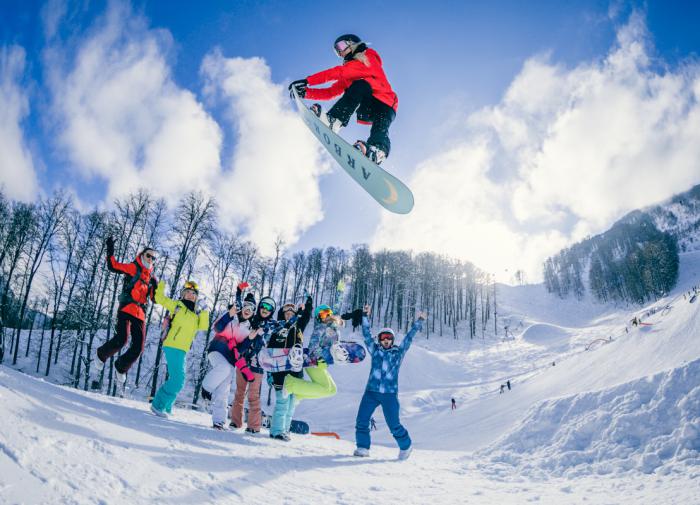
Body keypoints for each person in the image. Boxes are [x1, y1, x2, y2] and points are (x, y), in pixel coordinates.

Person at [289, 34, 398, 165]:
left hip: (386, 103)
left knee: (380, 128)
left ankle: (377, 151)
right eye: (336, 51)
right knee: (359, 86)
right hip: (369, 103)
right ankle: (334, 121)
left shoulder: (368, 57)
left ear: (352, 43)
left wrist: (309, 80)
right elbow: (330, 92)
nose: (339, 52)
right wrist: (306, 93)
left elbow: (338, 72)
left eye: (340, 46)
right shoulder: (349, 73)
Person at [354, 305, 426, 461]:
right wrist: (365, 315)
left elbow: (409, 338)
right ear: (379, 340)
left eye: (388, 337)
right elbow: (366, 334)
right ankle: (363, 447)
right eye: (382, 337)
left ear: (392, 340)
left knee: (394, 424)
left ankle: (406, 446)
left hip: (389, 395)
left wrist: (419, 320)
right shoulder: (375, 351)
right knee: (362, 420)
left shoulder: (398, 353)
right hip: (371, 392)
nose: (386, 340)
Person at [93, 236, 157, 390]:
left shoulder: (152, 278)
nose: (151, 259)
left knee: (138, 348)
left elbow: (154, 299)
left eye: (153, 258)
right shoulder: (133, 267)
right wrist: (110, 248)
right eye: (148, 255)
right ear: (142, 255)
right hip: (126, 307)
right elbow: (112, 266)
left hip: (140, 314)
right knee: (122, 339)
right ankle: (101, 355)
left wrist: (156, 287)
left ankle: (121, 367)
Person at [150, 280, 209, 417]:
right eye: (187, 292)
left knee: (179, 379)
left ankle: (167, 406)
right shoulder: (177, 305)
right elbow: (160, 298)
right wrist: (162, 284)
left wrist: (205, 310)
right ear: (182, 294)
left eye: (193, 293)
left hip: (182, 349)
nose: (190, 295)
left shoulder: (196, 314)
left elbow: (203, 326)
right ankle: (158, 405)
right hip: (172, 345)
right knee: (177, 379)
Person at [202, 283, 257, 430]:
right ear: (242, 307)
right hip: (217, 350)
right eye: (246, 307)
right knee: (224, 368)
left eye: (251, 309)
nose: (248, 310)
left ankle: (219, 421)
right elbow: (217, 328)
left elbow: (240, 349)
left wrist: (250, 339)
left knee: (224, 389)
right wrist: (229, 314)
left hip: (230, 358)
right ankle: (206, 388)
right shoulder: (232, 317)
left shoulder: (248, 329)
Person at [267, 294, 313, 441]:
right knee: (282, 401)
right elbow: (269, 351)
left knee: (292, 402)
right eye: (286, 312)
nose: (289, 314)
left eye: (292, 313)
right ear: (282, 314)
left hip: (295, 370)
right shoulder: (277, 328)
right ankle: (276, 431)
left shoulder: (298, 327)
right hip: (280, 371)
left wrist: (309, 302)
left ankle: (285, 430)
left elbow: (306, 316)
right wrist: (270, 373)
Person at [231, 295, 277, 434]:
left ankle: (254, 426)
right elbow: (239, 316)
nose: (265, 309)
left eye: (269, 308)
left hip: (258, 366)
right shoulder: (251, 320)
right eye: (263, 306)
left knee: (253, 395)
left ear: (272, 311)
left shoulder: (273, 325)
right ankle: (235, 422)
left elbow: (287, 325)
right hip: (243, 362)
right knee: (239, 393)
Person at [281, 304, 343, 400]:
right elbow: (313, 346)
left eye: (329, 314)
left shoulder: (333, 327)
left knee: (333, 390)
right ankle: (291, 383)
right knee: (326, 388)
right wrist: (319, 358)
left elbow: (338, 307)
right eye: (323, 314)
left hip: (322, 363)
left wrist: (341, 289)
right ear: (318, 317)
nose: (327, 316)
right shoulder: (320, 328)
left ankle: (298, 395)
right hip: (314, 362)